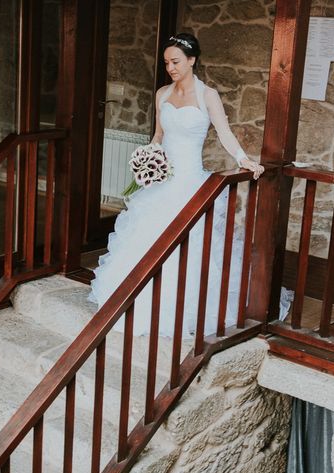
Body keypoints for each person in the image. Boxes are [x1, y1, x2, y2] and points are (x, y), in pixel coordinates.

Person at [89, 33, 290, 337]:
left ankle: (182, 308)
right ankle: (135, 300)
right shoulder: (161, 94)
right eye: (167, 62)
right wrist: (148, 158)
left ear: (192, 60)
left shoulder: (208, 95)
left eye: (176, 61)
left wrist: (242, 158)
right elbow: (158, 135)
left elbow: (223, 132)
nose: (170, 67)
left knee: (192, 246)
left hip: (189, 182)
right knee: (146, 240)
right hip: (160, 184)